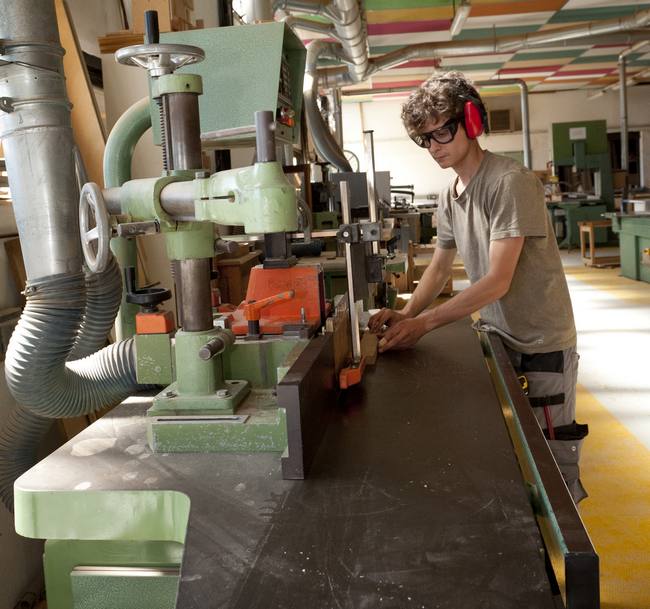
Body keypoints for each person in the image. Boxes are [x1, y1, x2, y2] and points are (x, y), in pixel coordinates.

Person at [368, 72, 588, 503]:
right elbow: (439, 267)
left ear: (471, 121)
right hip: (498, 336)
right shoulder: (450, 194)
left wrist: (425, 324)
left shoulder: (509, 182)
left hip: (540, 340)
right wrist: (407, 312)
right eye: (424, 139)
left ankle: (568, 543)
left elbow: (496, 281)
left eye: (442, 132)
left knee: (552, 452)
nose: (434, 147)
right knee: (511, 447)